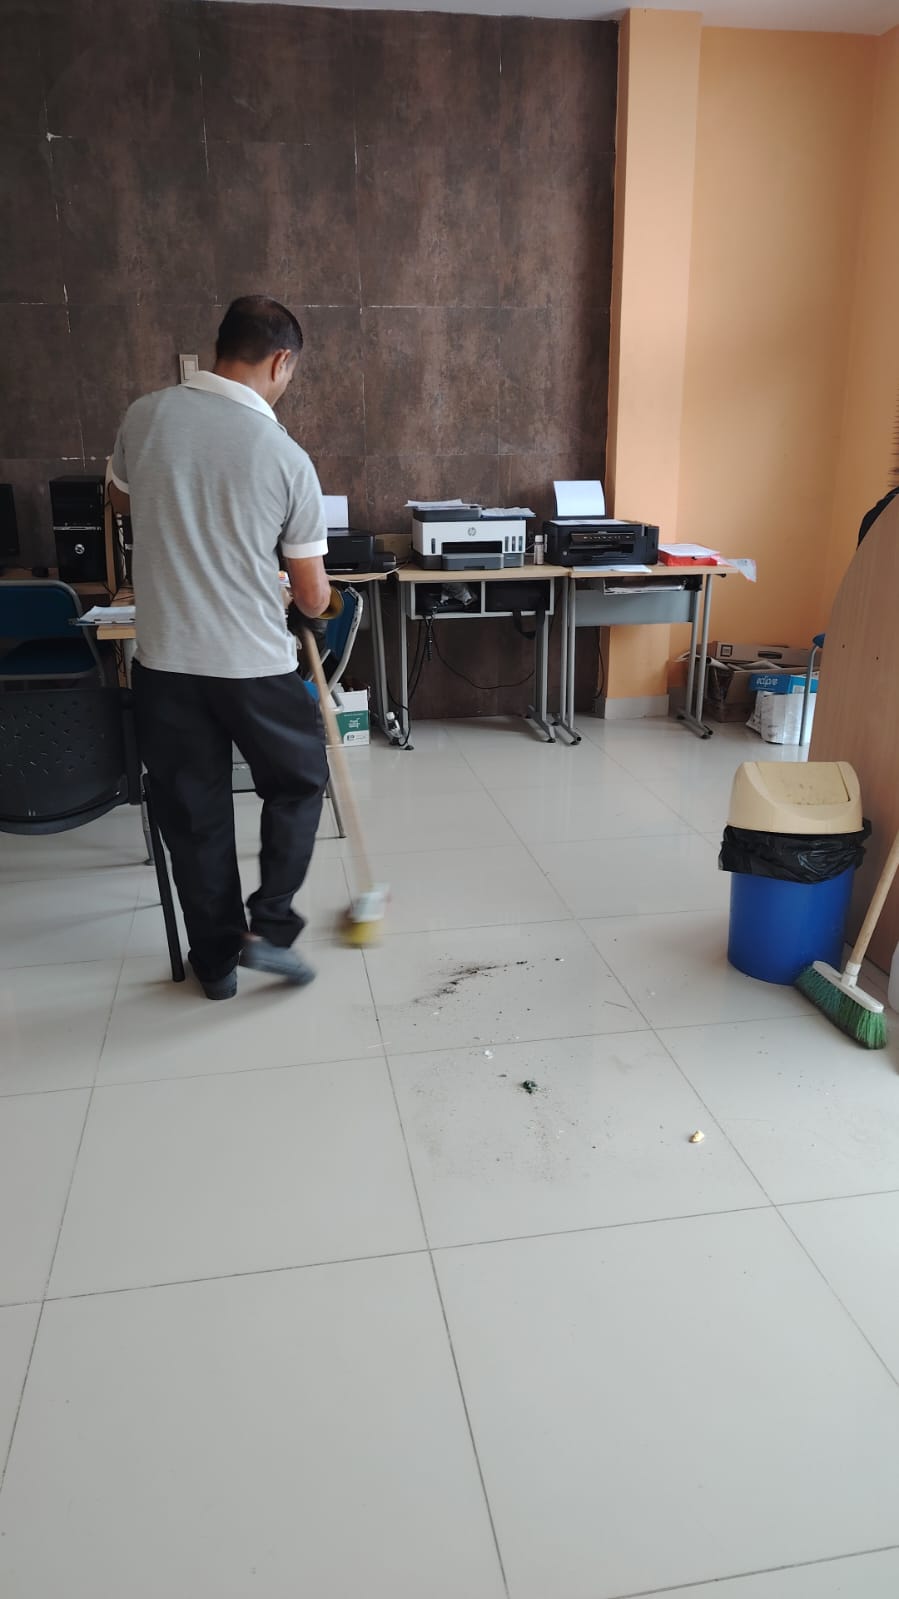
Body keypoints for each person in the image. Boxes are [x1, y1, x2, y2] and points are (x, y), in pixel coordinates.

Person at [108, 295, 337, 1001]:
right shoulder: (285, 455)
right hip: (252, 665)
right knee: (297, 782)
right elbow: (313, 599)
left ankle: (215, 965)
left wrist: (187, 520)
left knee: (193, 814)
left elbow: (122, 500)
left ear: (221, 348)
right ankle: (269, 927)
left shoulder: (144, 415)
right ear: (281, 360)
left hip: (165, 661)